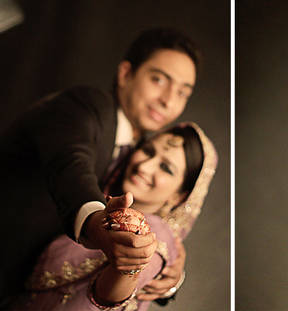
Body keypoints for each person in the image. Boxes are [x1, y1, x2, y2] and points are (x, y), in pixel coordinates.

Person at [0, 27, 200, 305]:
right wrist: (95, 222)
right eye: (158, 80)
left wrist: (170, 272)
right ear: (126, 74)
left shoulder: (137, 156)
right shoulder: (87, 107)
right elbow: (71, 165)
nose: (168, 100)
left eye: (182, 92)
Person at [11, 122, 217, 310]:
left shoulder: (156, 234)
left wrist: (129, 267)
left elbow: (107, 296)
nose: (145, 166)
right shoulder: (94, 202)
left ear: (179, 196)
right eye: (148, 151)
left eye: (166, 168)